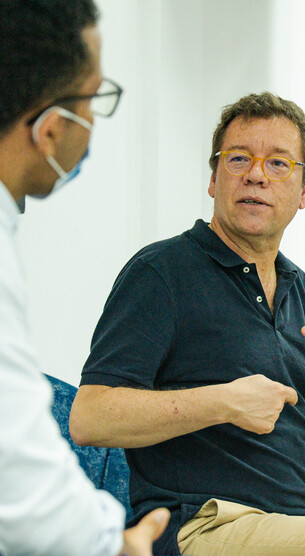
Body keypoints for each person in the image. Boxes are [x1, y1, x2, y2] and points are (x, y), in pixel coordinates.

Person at [69, 91, 305, 555]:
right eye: (239, 159)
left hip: (296, 524)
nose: (257, 175)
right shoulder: (163, 272)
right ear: (213, 178)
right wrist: (224, 402)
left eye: (279, 164)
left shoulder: (300, 286)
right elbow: (89, 417)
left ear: (304, 191)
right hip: (206, 527)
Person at [0, 0, 170, 554]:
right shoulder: (159, 272)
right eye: (95, 98)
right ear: (50, 130)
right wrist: (112, 541)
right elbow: (22, 482)